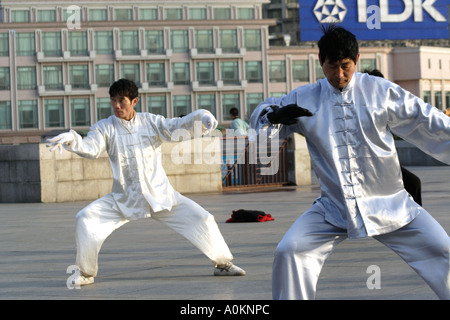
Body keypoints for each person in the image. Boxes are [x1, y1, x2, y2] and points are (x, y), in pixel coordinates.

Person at [249, 25, 450, 300]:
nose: (339, 75)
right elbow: (261, 123)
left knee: (443, 250)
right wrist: (273, 116)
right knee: (290, 250)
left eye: (345, 66)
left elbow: (425, 117)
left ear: (356, 59)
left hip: (391, 204)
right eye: (332, 66)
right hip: (333, 208)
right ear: (321, 62)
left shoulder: (379, 91)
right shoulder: (305, 97)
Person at [47, 79, 246, 286]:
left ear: (134, 101)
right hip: (123, 198)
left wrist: (202, 118)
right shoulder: (105, 127)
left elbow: (176, 126)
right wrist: (73, 139)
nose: (116, 106)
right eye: (113, 101)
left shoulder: (151, 122)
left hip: (160, 196)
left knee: (203, 218)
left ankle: (223, 265)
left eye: (121, 101)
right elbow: (91, 148)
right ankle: (86, 273)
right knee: (85, 218)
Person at [364, 69, 422, 206]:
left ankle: (417, 219)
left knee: (413, 183)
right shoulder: (361, 107)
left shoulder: (382, 105)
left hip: (386, 164)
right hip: (367, 166)